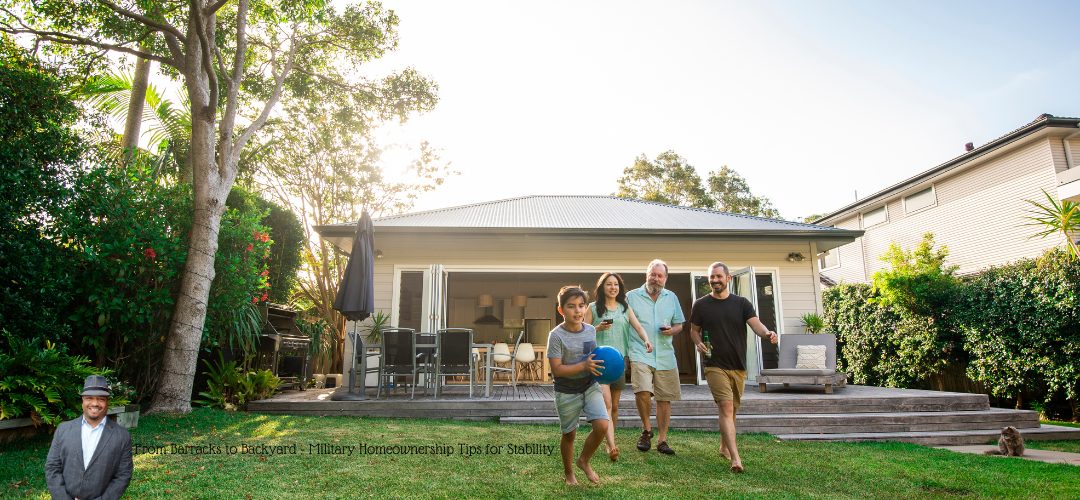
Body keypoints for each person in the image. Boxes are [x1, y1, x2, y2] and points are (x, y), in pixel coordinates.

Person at [689, 261, 778, 473]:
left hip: (738, 366)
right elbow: (693, 330)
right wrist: (698, 342)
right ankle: (735, 458)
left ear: (728, 278)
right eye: (712, 277)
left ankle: (723, 446)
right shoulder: (701, 305)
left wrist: (767, 334)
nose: (714, 280)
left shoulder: (742, 303)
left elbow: (756, 325)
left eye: (719, 276)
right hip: (714, 365)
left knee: (732, 410)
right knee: (726, 407)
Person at [584, 272, 653, 462]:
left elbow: (638, 326)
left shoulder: (624, 307)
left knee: (614, 406)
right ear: (602, 287)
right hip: (600, 362)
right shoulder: (593, 308)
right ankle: (611, 445)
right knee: (606, 404)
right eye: (609, 284)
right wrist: (597, 329)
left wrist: (646, 340)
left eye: (616, 284)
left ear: (619, 288)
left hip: (619, 362)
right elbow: (582, 331)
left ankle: (607, 441)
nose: (613, 287)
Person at [547, 285, 609, 485]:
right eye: (572, 306)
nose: (578, 310)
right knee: (569, 434)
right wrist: (584, 365)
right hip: (566, 390)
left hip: (589, 385)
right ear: (561, 310)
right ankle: (569, 473)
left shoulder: (590, 330)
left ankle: (584, 461)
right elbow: (557, 369)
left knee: (602, 425)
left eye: (581, 306)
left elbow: (592, 357)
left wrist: (605, 366)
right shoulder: (555, 336)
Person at [626, 259, 685, 455]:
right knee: (642, 390)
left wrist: (672, 331)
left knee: (664, 398)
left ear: (665, 278)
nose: (656, 278)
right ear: (647, 275)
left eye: (660, 276)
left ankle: (662, 440)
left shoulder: (671, 297)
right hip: (640, 351)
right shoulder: (631, 297)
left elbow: (680, 325)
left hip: (666, 355)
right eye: (653, 274)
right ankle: (646, 430)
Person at [45, 375, 133, 500]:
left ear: (107, 401)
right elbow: (52, 467)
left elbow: (123, 475)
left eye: (101, 399)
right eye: (89, 398)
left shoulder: (122, 436)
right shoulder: (63, 430)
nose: (95, 403)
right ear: (82, 401)